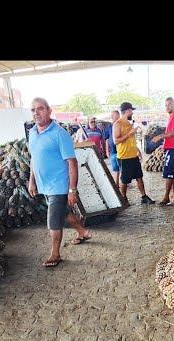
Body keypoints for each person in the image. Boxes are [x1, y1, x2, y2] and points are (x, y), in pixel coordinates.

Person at [27, 97, 92, 268]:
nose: (36, 113)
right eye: (33, 110)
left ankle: (55, 253)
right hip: (44, 185)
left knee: (53, 219)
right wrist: (32, 181)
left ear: (49, 111)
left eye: (40, 109)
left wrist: (72, 190)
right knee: (63, 212)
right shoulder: (32, 133)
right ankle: (82, 231)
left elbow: (72, 162)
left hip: (58, 184)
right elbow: (34, 158)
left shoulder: (59, 134)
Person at [113, 102, 155, 204]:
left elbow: (131, 140)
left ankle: (144, 197)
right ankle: (124, 198)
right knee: (125, 180)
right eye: (131, 110)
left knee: (139, 177)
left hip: (133, 155)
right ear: (127, 111)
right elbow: (116, 141)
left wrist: (138, 151)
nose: (132, 112)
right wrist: (129, 134)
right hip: (124, 157)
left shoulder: (129, 123)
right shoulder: (117, 124)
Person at [153, 97, 174, 205]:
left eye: (169, 104)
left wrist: (160, 136)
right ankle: (173, 197)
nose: (167, 107)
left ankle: (166, 197)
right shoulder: (172, 116)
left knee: (169, 174)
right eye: (166, 105)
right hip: (172, 148)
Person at [104, 110, 120, 189]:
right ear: (112, 117)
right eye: (115, 116)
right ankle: (116, 184)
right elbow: (106, 140)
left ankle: (124, 183)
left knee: (122, 168)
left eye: (117, 115)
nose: (116, 117)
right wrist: (107, 151)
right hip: (113, 151)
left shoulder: (121, 125)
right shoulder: (109, 127)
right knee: (115, 168)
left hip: (121, 151)